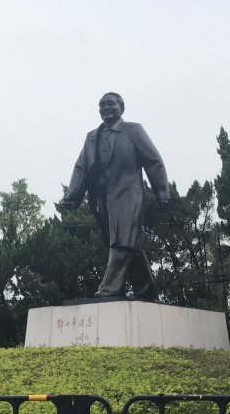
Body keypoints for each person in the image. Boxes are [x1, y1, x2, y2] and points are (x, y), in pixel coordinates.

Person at [60, 92, 170, 300]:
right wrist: (73, 194)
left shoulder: (133, 130)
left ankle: (110, 287)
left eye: (110, 104)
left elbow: (153, 161)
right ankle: (145, 290)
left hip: (128, 192)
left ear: (122, 107)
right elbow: (81, 167)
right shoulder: (92, 137)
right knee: (125, 241)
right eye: (101, 105)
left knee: (122, 238)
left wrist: (162, 192)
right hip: (100, 198)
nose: (105, 108)